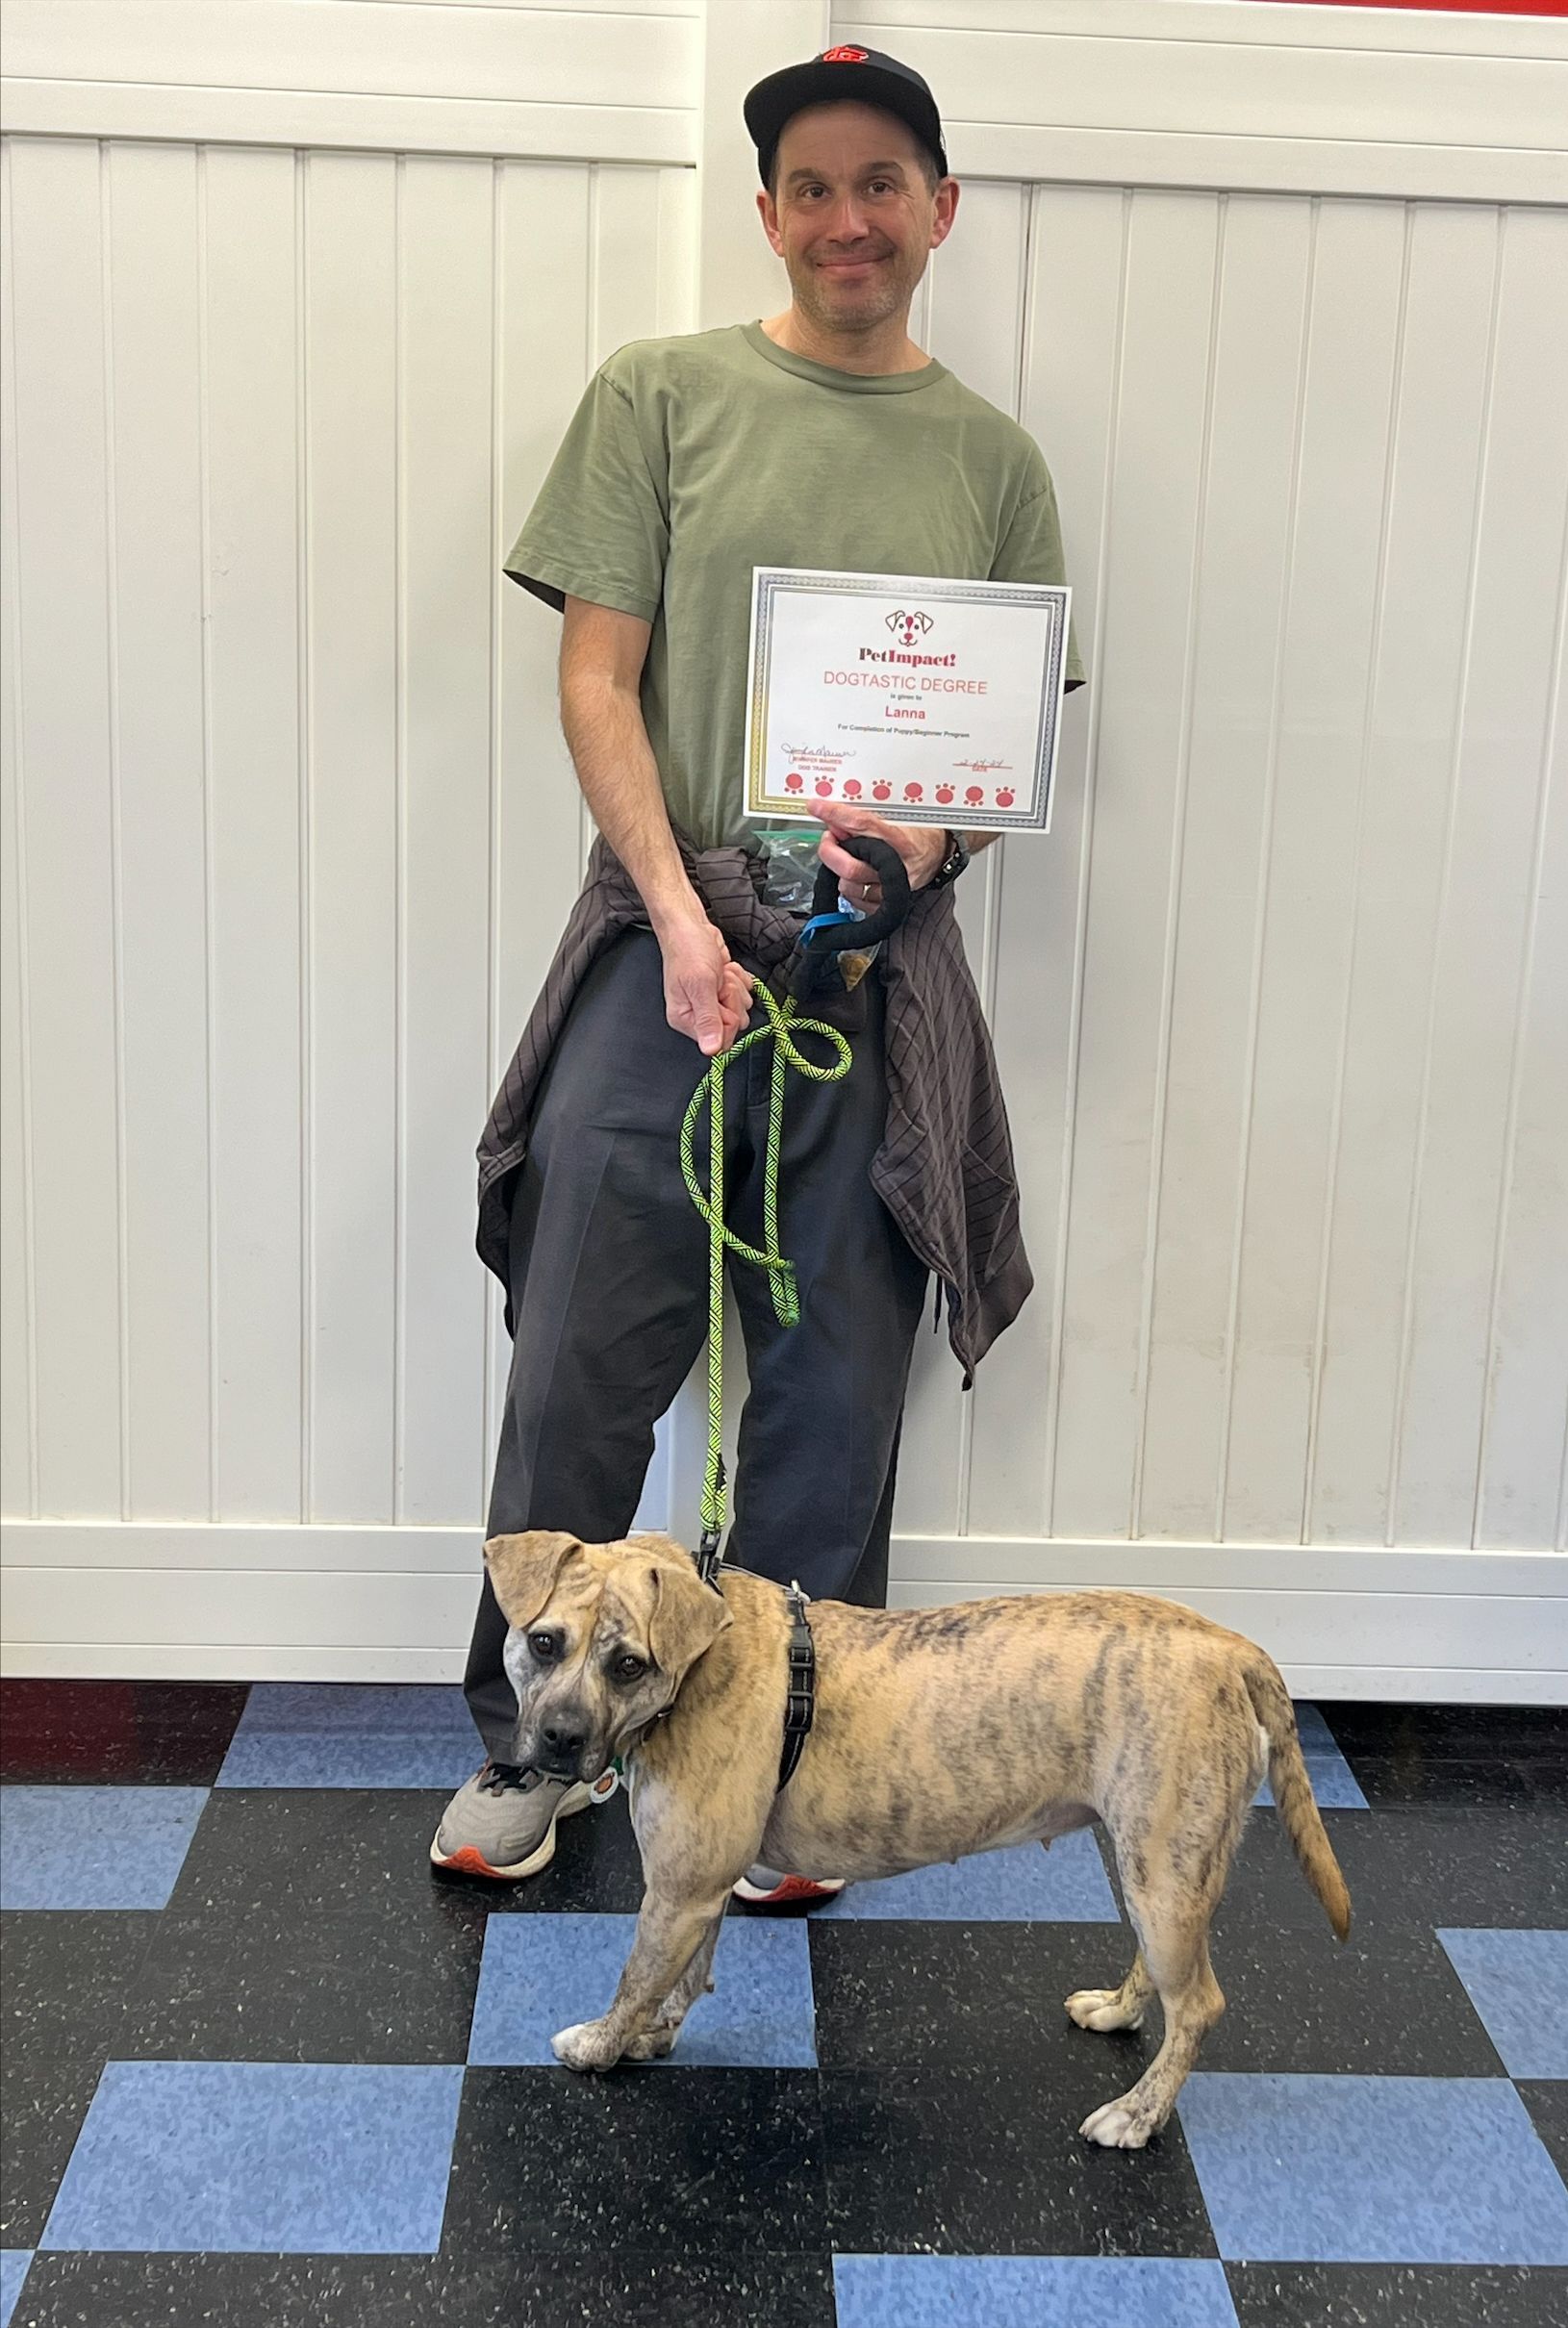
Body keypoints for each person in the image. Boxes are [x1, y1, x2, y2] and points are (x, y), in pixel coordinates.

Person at [430, 44, 1083, 1901]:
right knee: (579, 1362)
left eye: (885, 182)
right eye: (812, 185)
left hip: (878, 977)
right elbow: (596, 677)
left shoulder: (997, 467)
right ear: (772, 211)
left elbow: (993, 764)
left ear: (938, 208)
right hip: (666, 939)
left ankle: (795, 1778)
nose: (849, 217)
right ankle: (525, 1757)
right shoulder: (658, 395)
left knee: (830, 1391)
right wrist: (686, 917)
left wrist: (921, 857)